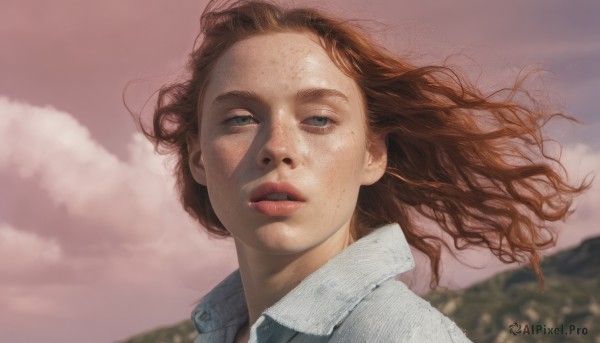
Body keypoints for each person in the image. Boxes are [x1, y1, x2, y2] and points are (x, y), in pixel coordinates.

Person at [135, 0, 590, 341]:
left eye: (318, 119)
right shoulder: (219, 331)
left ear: (373, 154)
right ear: (197, 156)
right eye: (240, 118)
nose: (277, 148)